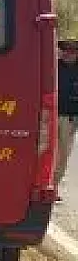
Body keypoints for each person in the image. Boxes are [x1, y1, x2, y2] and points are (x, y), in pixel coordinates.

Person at [56, 40, 78, 188]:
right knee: (44, 150)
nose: (68, 54)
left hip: (69, 118)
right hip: (49, 115)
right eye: (65, 50)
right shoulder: (54, 66)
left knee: (63, 152)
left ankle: (54, 185)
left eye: (72, 51)